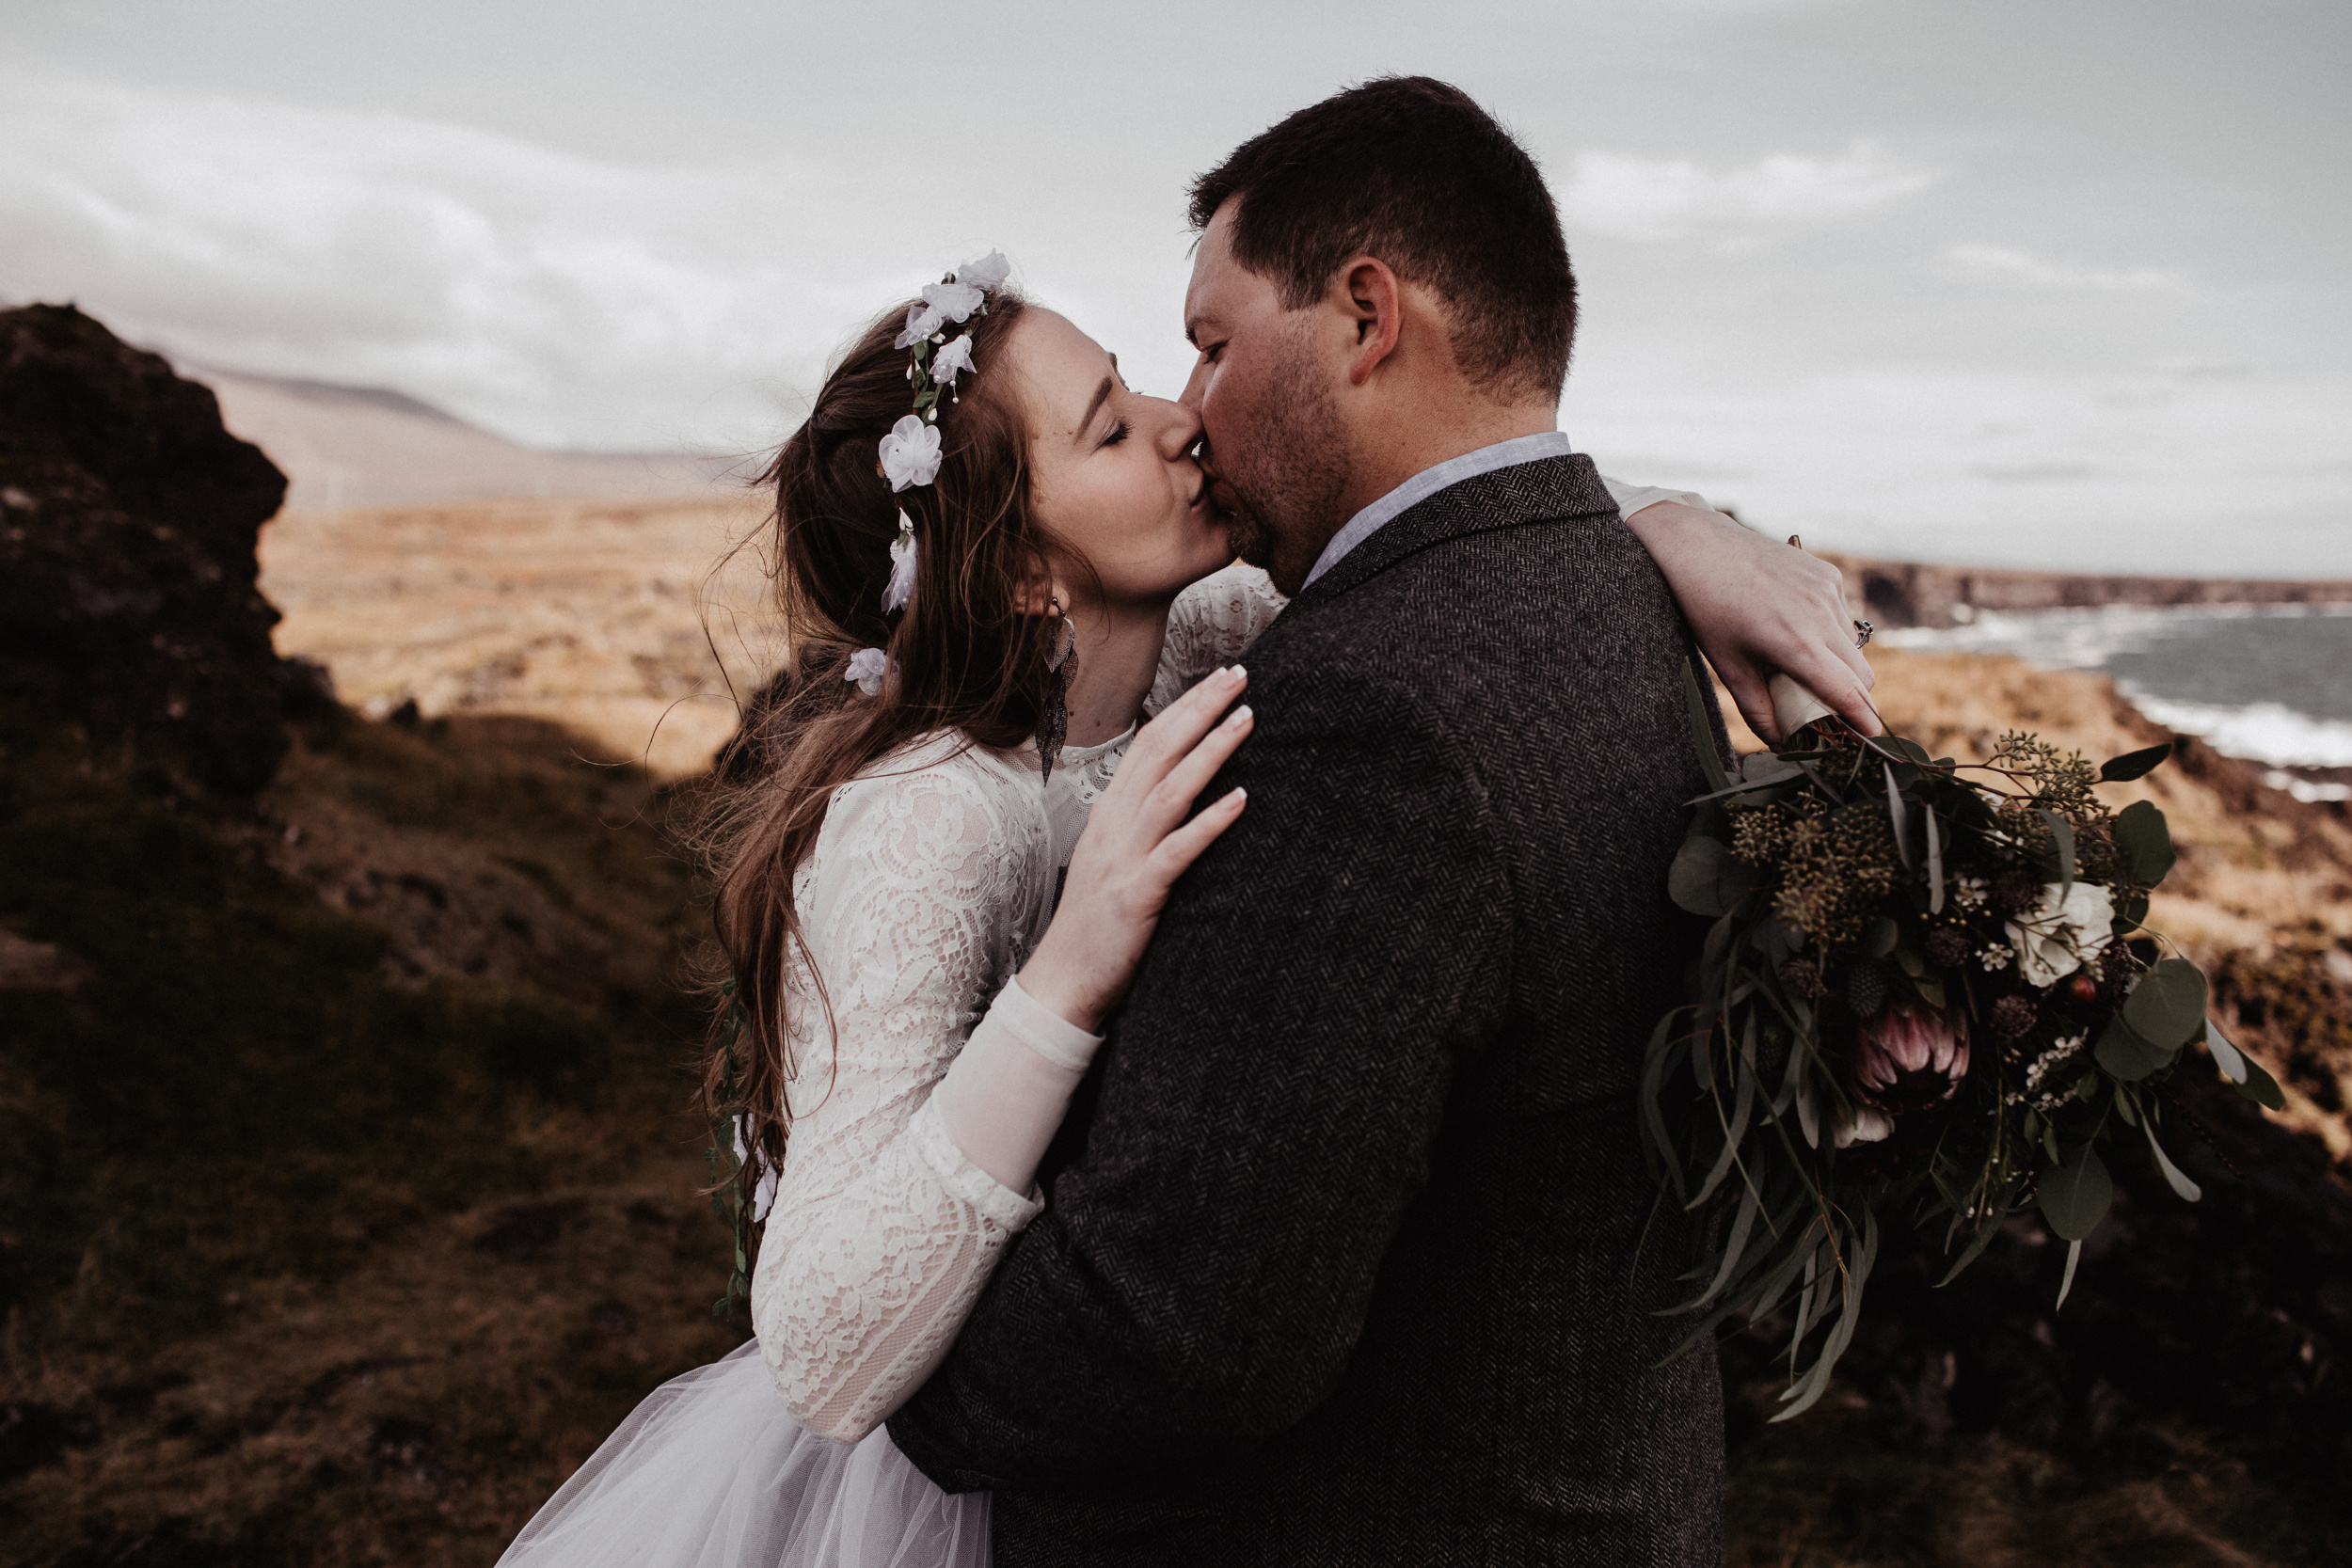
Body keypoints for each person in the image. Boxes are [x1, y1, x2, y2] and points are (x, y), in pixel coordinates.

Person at [499, 91, 1873, 1568]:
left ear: (1364, 317)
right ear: (1026, 562)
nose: (1184, 412)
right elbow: (832, 1350)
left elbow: (1195, 1329)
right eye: (1117, 419)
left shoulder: (1271, 666)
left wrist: (1672, 521)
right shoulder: (935, 814)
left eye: (1200, 353)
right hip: (943, 1452)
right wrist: (1067, 973)